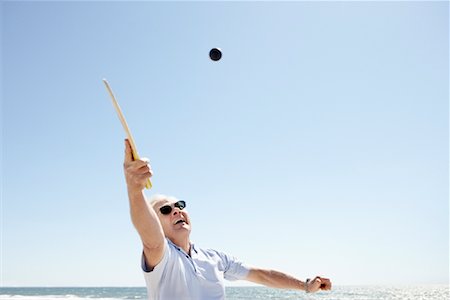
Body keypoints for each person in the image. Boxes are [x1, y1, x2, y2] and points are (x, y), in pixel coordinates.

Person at [123, 139, 332, 299]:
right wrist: (134, 189)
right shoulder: (163, 259)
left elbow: (261, 275)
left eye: (179, 206)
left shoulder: (215, 259)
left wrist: (304, 286)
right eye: (166, 210)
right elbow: (150, 237)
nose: (176, 211)